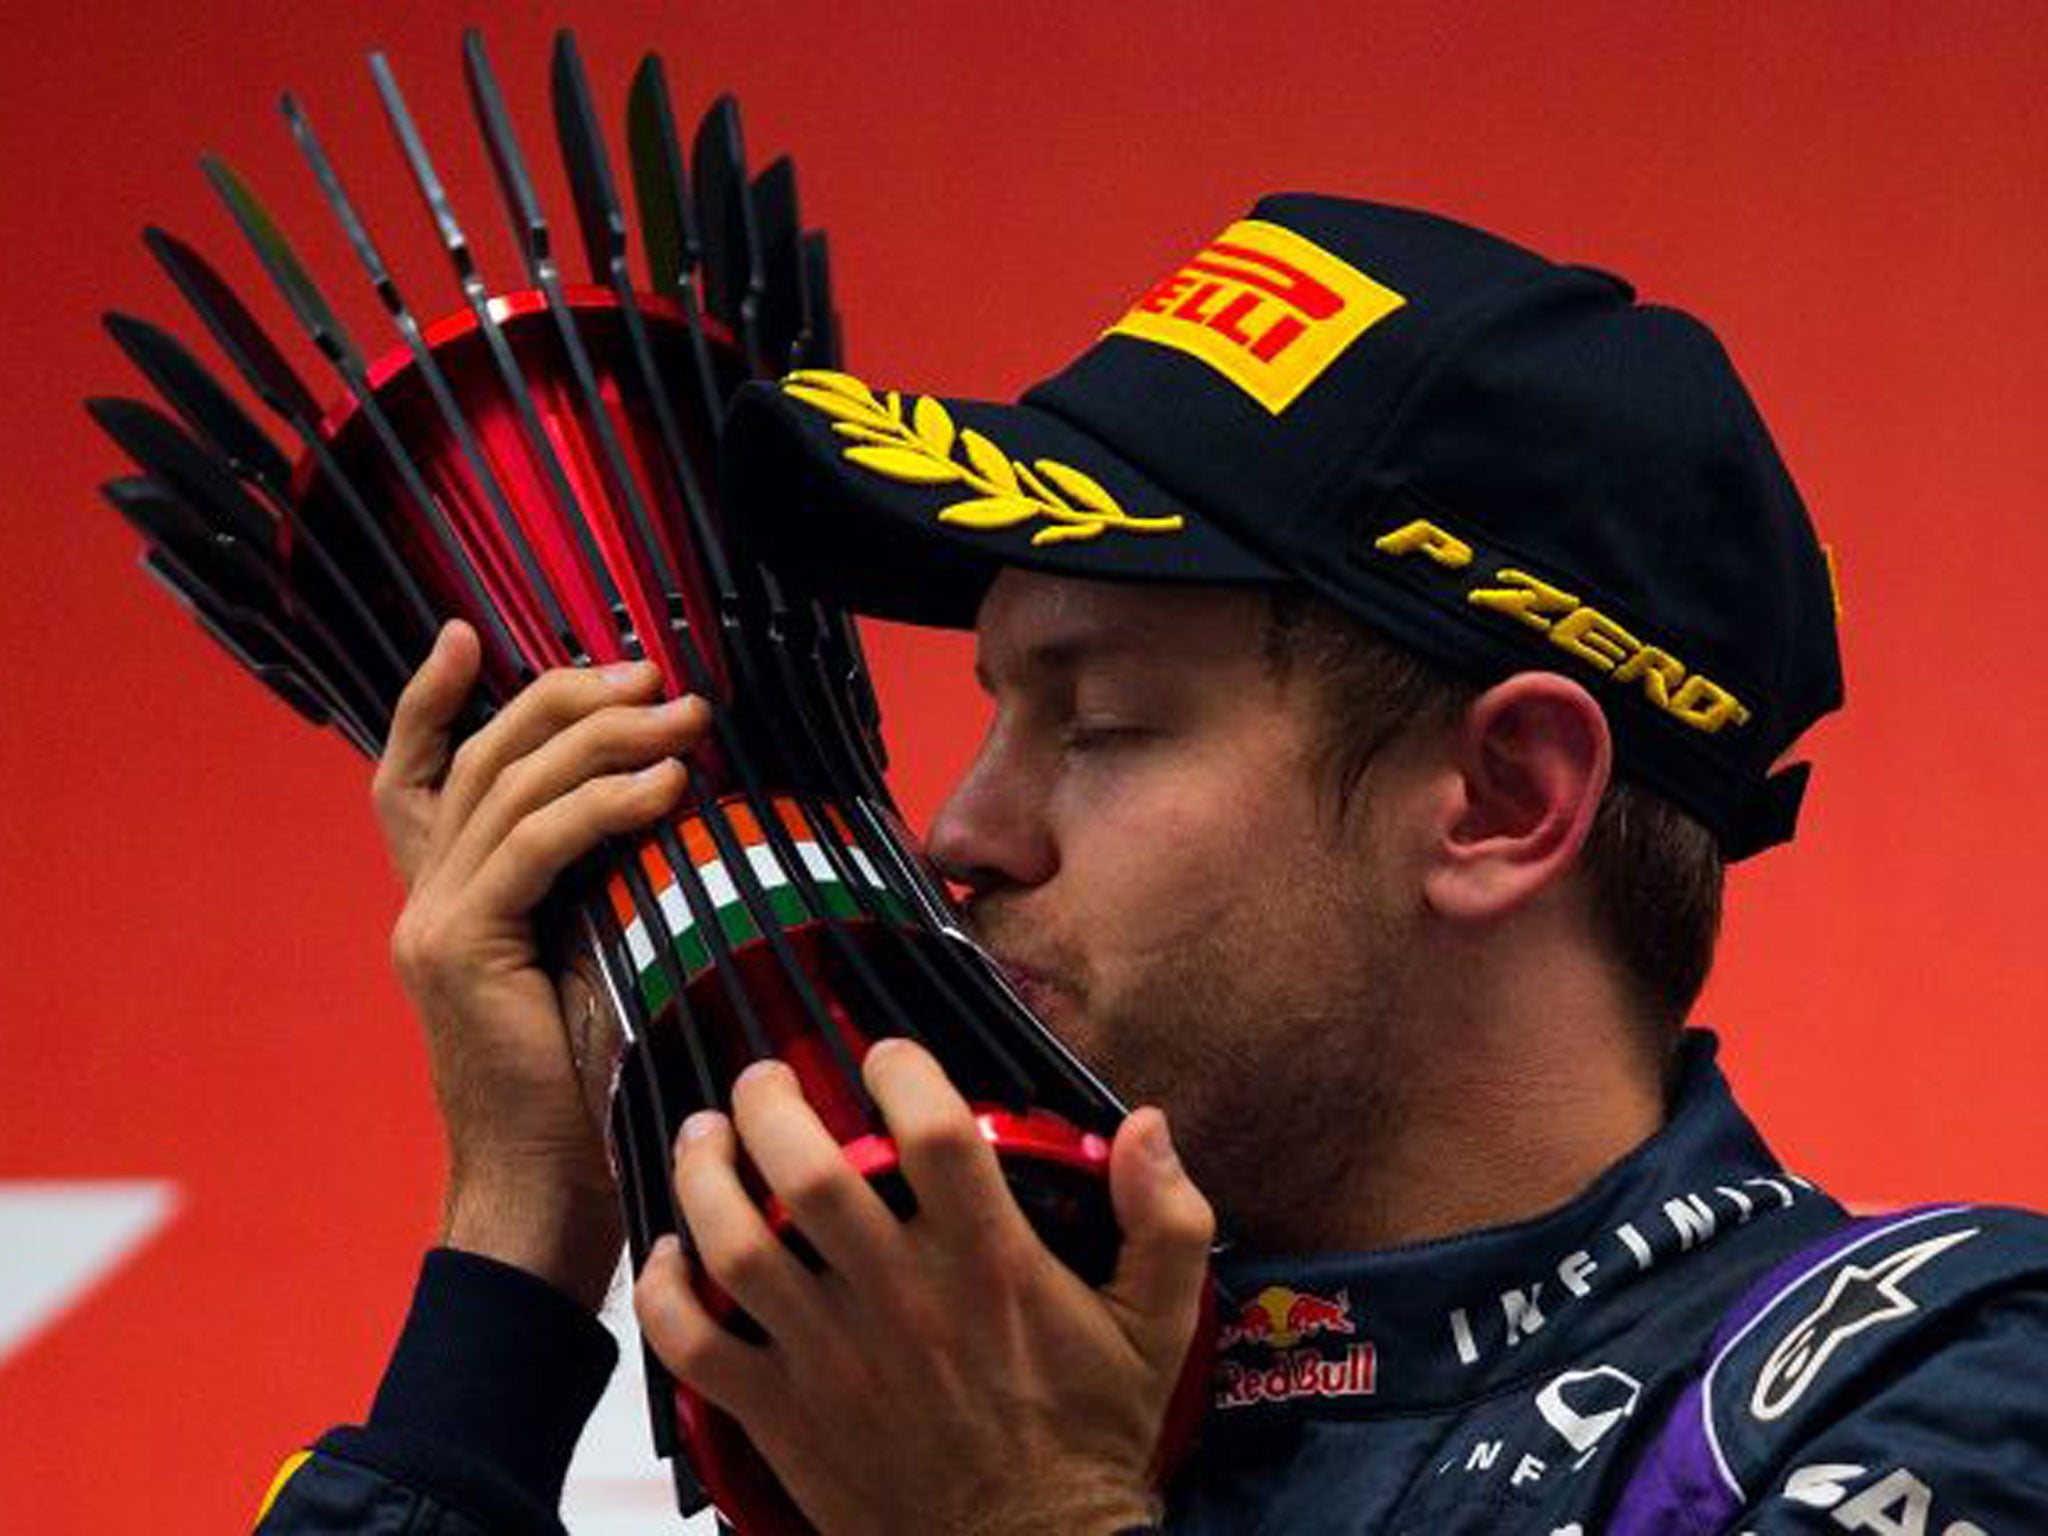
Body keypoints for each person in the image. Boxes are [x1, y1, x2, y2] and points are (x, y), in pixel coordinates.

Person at [256, 195, 2048, 1535]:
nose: (961, 830)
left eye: (1098, 723)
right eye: (988, 708)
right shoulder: (889, 1382)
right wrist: (518, 1236)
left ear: (1504, 799)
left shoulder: (1922, 1389)